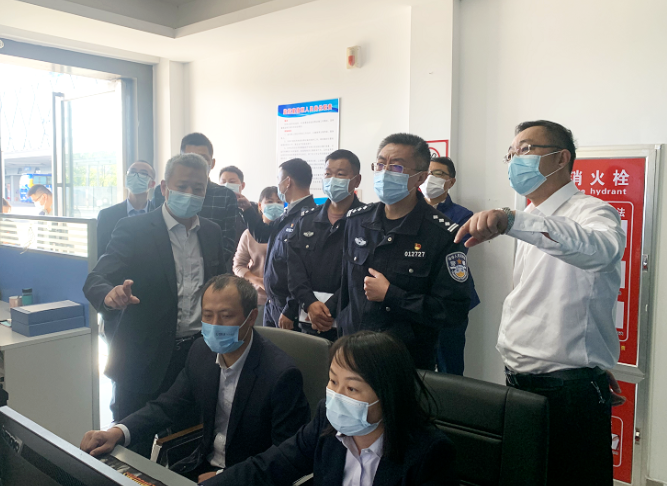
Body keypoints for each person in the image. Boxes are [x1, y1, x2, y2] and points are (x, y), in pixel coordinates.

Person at [454, 120, 626, 485]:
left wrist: (585, 367)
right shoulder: (530, 218)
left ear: (561, 158)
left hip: (567, 391)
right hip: (523, 382)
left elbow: (602, 251)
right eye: (511, 153)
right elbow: (547, 295)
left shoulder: (592, 211)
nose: (515, 159)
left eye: (526, 149)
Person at [80, 274, 310, 481]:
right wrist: (116, 432)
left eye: (226, 316)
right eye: (208, 315)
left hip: (249, 476)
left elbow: (285, 456)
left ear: (251, 318)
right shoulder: (201, 352)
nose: (215, 325)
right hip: (201, 465)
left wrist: (224, 478)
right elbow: (167, 406)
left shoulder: (281, 375)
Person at [83, 153, 227, 455]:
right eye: (182, 186)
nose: (190, 194)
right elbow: (96, 278)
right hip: (141, 359)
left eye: (198, 188)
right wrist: (110, 296)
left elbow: (219, 284)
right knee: (128, 445)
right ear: (164, 188)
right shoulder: (133, 229)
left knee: (187, 443)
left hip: (195, 355)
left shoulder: (212, 231)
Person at [206, 331, 457, 485]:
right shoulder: (326, 421)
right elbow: (271, 466)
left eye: (352, 389)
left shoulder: (430, 454)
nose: (336, 396)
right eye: (333, 381)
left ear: (388, 395)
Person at [338, 133, 471, 370]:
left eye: (396, 167)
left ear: (420, 177)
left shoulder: (443, 234)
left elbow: (453, 311)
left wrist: (392, 295)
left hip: (404, 363)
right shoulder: (357, 221)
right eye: (380, 165)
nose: (385, 172)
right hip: (353, 355)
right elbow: (347, 292)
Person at [286, 149, 363, 341]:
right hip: (308, 319)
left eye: (340, 174)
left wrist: (331, 307)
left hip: (349, 323)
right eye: (328, 174)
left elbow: (363, 273)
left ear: (356, 180)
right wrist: (310, 303)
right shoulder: (306, 220)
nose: (332, 179)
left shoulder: (367, 222)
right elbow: (294, 269)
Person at [236, 158, 317, 329]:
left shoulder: (310, 217)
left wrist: (290, 308)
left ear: (287, 182)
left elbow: (306, 269)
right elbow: (263, 234)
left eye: (279, 179)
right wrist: (247, 209)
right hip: (273, 304)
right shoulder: (288, 214)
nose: (278, 185)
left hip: (289, 308)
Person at [420, 156, 481, 375]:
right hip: (417, 299)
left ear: (451, 182)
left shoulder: (463, 215)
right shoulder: (410, 210)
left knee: (450, 366)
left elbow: (454, 251)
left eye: (438, 174)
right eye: (427, 173)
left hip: (450, 300)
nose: (431, 178)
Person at [153, 133, 238, 270]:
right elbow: (153, 231)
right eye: (189, 157)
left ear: (212, 163)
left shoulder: (225, 196)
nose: (195, 163)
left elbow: (226, 246)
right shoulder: (162, 191)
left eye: (202, 158)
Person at [232, 186, 281, 325]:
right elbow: (238, 266)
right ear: (260, 205)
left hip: (283, 301)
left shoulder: (288, 230)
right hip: (258, 299)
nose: (275, 205)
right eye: (270, 201)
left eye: (279, 202)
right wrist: (258, 281)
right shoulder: (249, 234)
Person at [96, 161, 156, 259]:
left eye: (143, 173)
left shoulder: (159, 215)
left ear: (152, 184)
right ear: (126, 178)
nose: (136, 176)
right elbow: (101, 254)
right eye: (132, 172)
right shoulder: (106, 215)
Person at [219, 165, 258, 246]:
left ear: (242, 185)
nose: (227, 185)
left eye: (232, 182)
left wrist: (247, 209)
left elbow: (258, 233)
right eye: (223, 182)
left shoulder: (253, 208)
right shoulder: (216, 207)